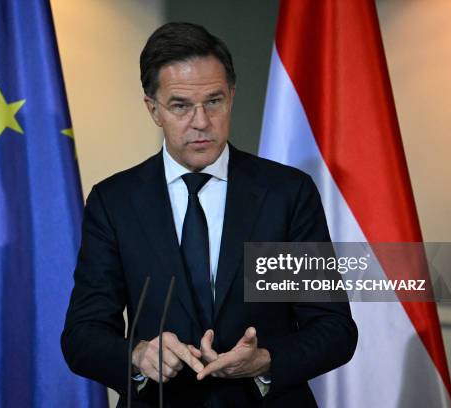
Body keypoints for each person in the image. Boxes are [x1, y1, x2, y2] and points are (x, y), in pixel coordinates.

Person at [61, 22, 357, 407]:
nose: (200, 122)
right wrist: (138, 356)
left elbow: (333, 329)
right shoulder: (114, 202)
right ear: (153, 109)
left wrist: (264, 360)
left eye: (213, 101)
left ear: (231, 97)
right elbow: (83, 335)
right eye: (181, 105)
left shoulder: (286, 194)